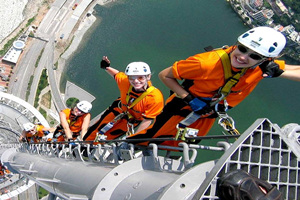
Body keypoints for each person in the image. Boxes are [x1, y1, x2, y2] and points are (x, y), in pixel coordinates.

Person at [127, 26, 300, 147]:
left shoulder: (261, 68)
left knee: (187, 144)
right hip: (183, 106)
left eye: (253, 55)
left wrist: (278, 72)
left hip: (209, 114)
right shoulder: (206, 63)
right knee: (150, 137)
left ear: (265, 59)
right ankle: (128, 148)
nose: (243, 57)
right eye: (242, 48)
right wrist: (189, 98)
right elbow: (165, 75)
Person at [83, 56, 164, 142]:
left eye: (140, 77)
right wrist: (106, 67)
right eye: (132, 77)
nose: (136, 81)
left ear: (148, 77)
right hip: (118, 110)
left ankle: (89, 149)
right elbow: (116, 74)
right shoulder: (125, 82)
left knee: (109, 137)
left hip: (131, 120)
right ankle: (83, 145)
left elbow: (147, 120)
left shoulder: (155, 98)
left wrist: (135, 138)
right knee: (96, 130)